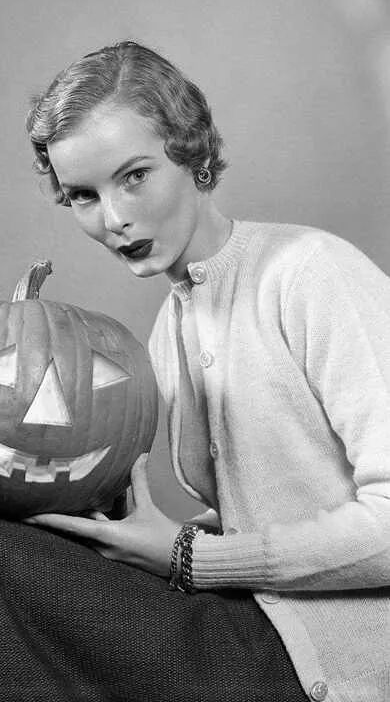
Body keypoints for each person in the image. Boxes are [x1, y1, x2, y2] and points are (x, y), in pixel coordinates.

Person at [24, 41, 390, 701]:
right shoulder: (168, 330)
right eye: (82, 196)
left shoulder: (311, 273)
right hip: (250, 628)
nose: (114, 218)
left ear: (190, 152)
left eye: (135, 176)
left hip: (340, 671)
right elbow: (268, 508)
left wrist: (189, 556)